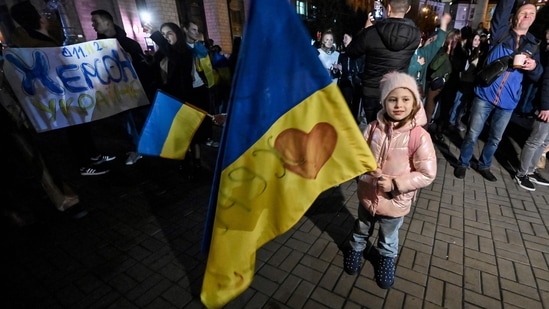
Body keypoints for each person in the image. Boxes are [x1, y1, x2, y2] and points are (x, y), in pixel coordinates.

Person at [343, 72, 437, 289]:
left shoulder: (419, 136)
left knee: (388, 235)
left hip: (395, 201)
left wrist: (396, 184)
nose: (398, 105)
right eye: (392, 99)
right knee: (361, 227)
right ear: (384, 101)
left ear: (415, 102)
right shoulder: (373, 127)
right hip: (367, 195)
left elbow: (427, 173)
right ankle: (356, 250)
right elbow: (361, 154)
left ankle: (386, 258)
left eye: (405, 99)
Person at [453, 0, 543, 182]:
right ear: (515, 15)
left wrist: (534, 66)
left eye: (532, 14)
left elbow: (537, 75)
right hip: (485, 94)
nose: (527, 16)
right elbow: (501, 12)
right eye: (524, 12)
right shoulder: (501, 33)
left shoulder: (533, 45)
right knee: (472, 133)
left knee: (495, 138)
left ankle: (484, 165)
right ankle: (463, 163)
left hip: (508, 102)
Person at [91, 9, 152, 165]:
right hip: (114, 93)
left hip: (135, 92)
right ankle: (134, 149)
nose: (93, 25)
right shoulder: (95, 47)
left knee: (141, 120)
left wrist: (133, 64)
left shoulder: (129, 44)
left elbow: (144, 69)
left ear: (107, 22)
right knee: (127, 123)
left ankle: (146, 147)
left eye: (95, 21)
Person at [346, 0, 421, 124]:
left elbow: (352, 52)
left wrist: (365, 29)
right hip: (395, 90)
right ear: (408, 9)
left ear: (389, 8)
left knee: (373, 128)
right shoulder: (415, 35)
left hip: (371, 92)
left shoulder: (371, 32)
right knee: (391, 131)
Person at [514, 36, 549, 191]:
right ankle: (521, 174)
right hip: (546, 108)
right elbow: (547, 81)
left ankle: (530, 170)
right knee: (535, 140)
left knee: (543, 142)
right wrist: (545, 107)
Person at [182, 19, 216, 175]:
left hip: (201, 86)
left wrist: (209, 83)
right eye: (193, 29)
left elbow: (207, 66)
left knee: (203, 116)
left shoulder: (199, 47)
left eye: (197, 29)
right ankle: (191, 156)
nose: (196, 32)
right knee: (190, 121)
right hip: (187, 89)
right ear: (185, 30)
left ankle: (203, 143)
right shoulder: (181, 48)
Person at [448, 33, 489, 132]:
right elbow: (464, 68)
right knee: (458, 103)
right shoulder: (466, 51)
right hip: (463, 81)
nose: (477, 42)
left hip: (470, 82)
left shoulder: (477, 52)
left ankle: (455, 121)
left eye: (478, 40)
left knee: (462, 104)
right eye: (475, 39)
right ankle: (451, 122)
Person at [407, 13, 452, 100]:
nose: (420, 39)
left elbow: (438, 43)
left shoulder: (423, 53)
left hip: (418, 96)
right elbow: (406, 72)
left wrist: (443, 24)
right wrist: (417, 65)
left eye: (420, 37)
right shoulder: (405, 53)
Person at [337, 32, 364, 122]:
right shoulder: (342, 54)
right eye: (343, 38)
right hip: (345, 83)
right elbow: (340, 69)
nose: (344, 40)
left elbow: (359, 69)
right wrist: (338, 69)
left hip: (356, 83)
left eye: (346, 38)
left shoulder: (359, 54)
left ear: (352, 38)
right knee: (346, 105)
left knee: (355, 106)